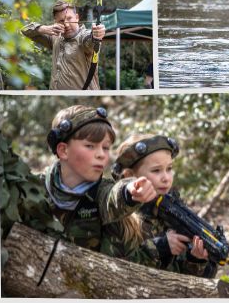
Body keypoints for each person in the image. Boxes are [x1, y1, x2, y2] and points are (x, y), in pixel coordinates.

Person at [40, 105, 156, 251]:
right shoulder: (35, 187)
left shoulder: (101, 190)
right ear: (63, 150)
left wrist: (130, 191)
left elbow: (112, 198)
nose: (101, 154)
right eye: (90, 146)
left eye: (106, 147)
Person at [106, 134, 218, 278]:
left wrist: (195, 258)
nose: (166, 178)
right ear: (129, 176)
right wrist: (160, 248)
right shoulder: (120, 218)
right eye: (156, 170)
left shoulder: (173, 211)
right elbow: (110, 273)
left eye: (169, 168)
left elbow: (184, 279)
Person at [21, 0, 106, 90]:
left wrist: (96, 35)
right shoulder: (55, 38)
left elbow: (90, 41)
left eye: (69, 18)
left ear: (77, 17)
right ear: (55, 22)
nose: (66, 24)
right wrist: (44, 28)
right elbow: (24, 31)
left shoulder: (84, 37)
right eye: (61, 21)